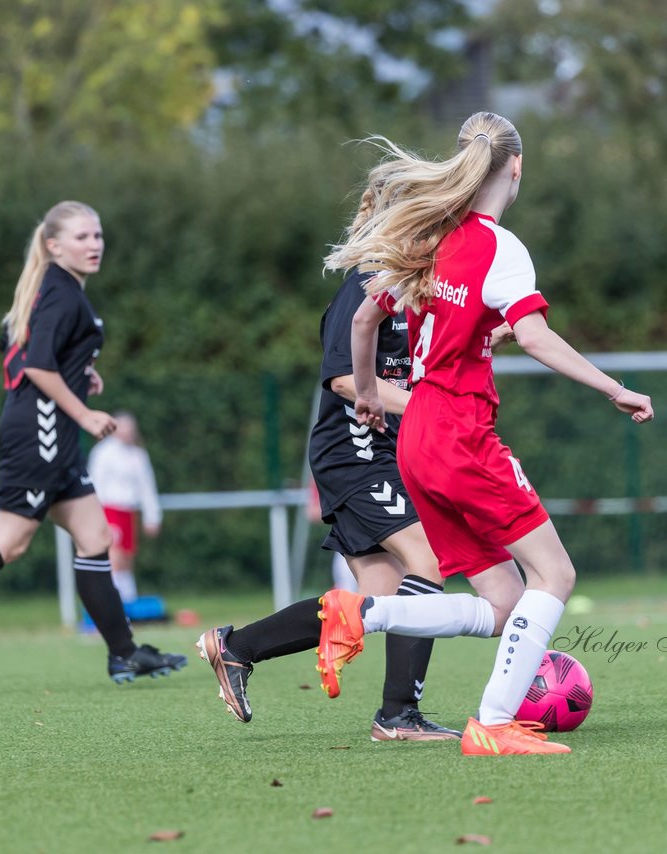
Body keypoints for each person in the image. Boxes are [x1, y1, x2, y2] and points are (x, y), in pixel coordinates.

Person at [312, 111, 654, 756]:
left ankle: (361, 612)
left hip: (415, 440)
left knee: (502, 601)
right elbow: (537, 336)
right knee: (554, 575)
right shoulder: (501, 246)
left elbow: (363, 322)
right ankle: (493, 722)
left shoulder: (430, 239)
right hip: (461, 434)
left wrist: (365, 396)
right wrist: (614, 387)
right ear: (517, 167)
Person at [196, 185, 513, 741]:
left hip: (385, 456)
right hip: (357, 458)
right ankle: (398, 717)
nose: (442, 234)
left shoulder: (413, 290)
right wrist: (426, 407)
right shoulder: (365, 285)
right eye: (432, 221)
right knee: (430, 558)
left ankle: (236, 647)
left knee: (382, 604)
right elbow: (343, 379)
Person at [0, 201, 187, 691]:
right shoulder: (60, 291)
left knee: (96, 538)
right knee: (10, 541)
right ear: (53, 245)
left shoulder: (62, 289)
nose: (94, 245)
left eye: (97, 236)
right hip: (41, 435)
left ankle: (123, 653)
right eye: (82, 237)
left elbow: (27, 359)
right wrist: (85, 412)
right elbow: (34, 367)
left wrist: (82, 375)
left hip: (53, 434)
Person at [86, 412, 162, 604]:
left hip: (128, 512)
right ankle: (109, 603)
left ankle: (128, 602)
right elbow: (94, 485)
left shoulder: (138, 455)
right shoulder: (103, 452)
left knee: (127, 559)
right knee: (114, 558)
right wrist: (96, 517)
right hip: (109, 510)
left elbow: (147, 487)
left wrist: (152, 517)